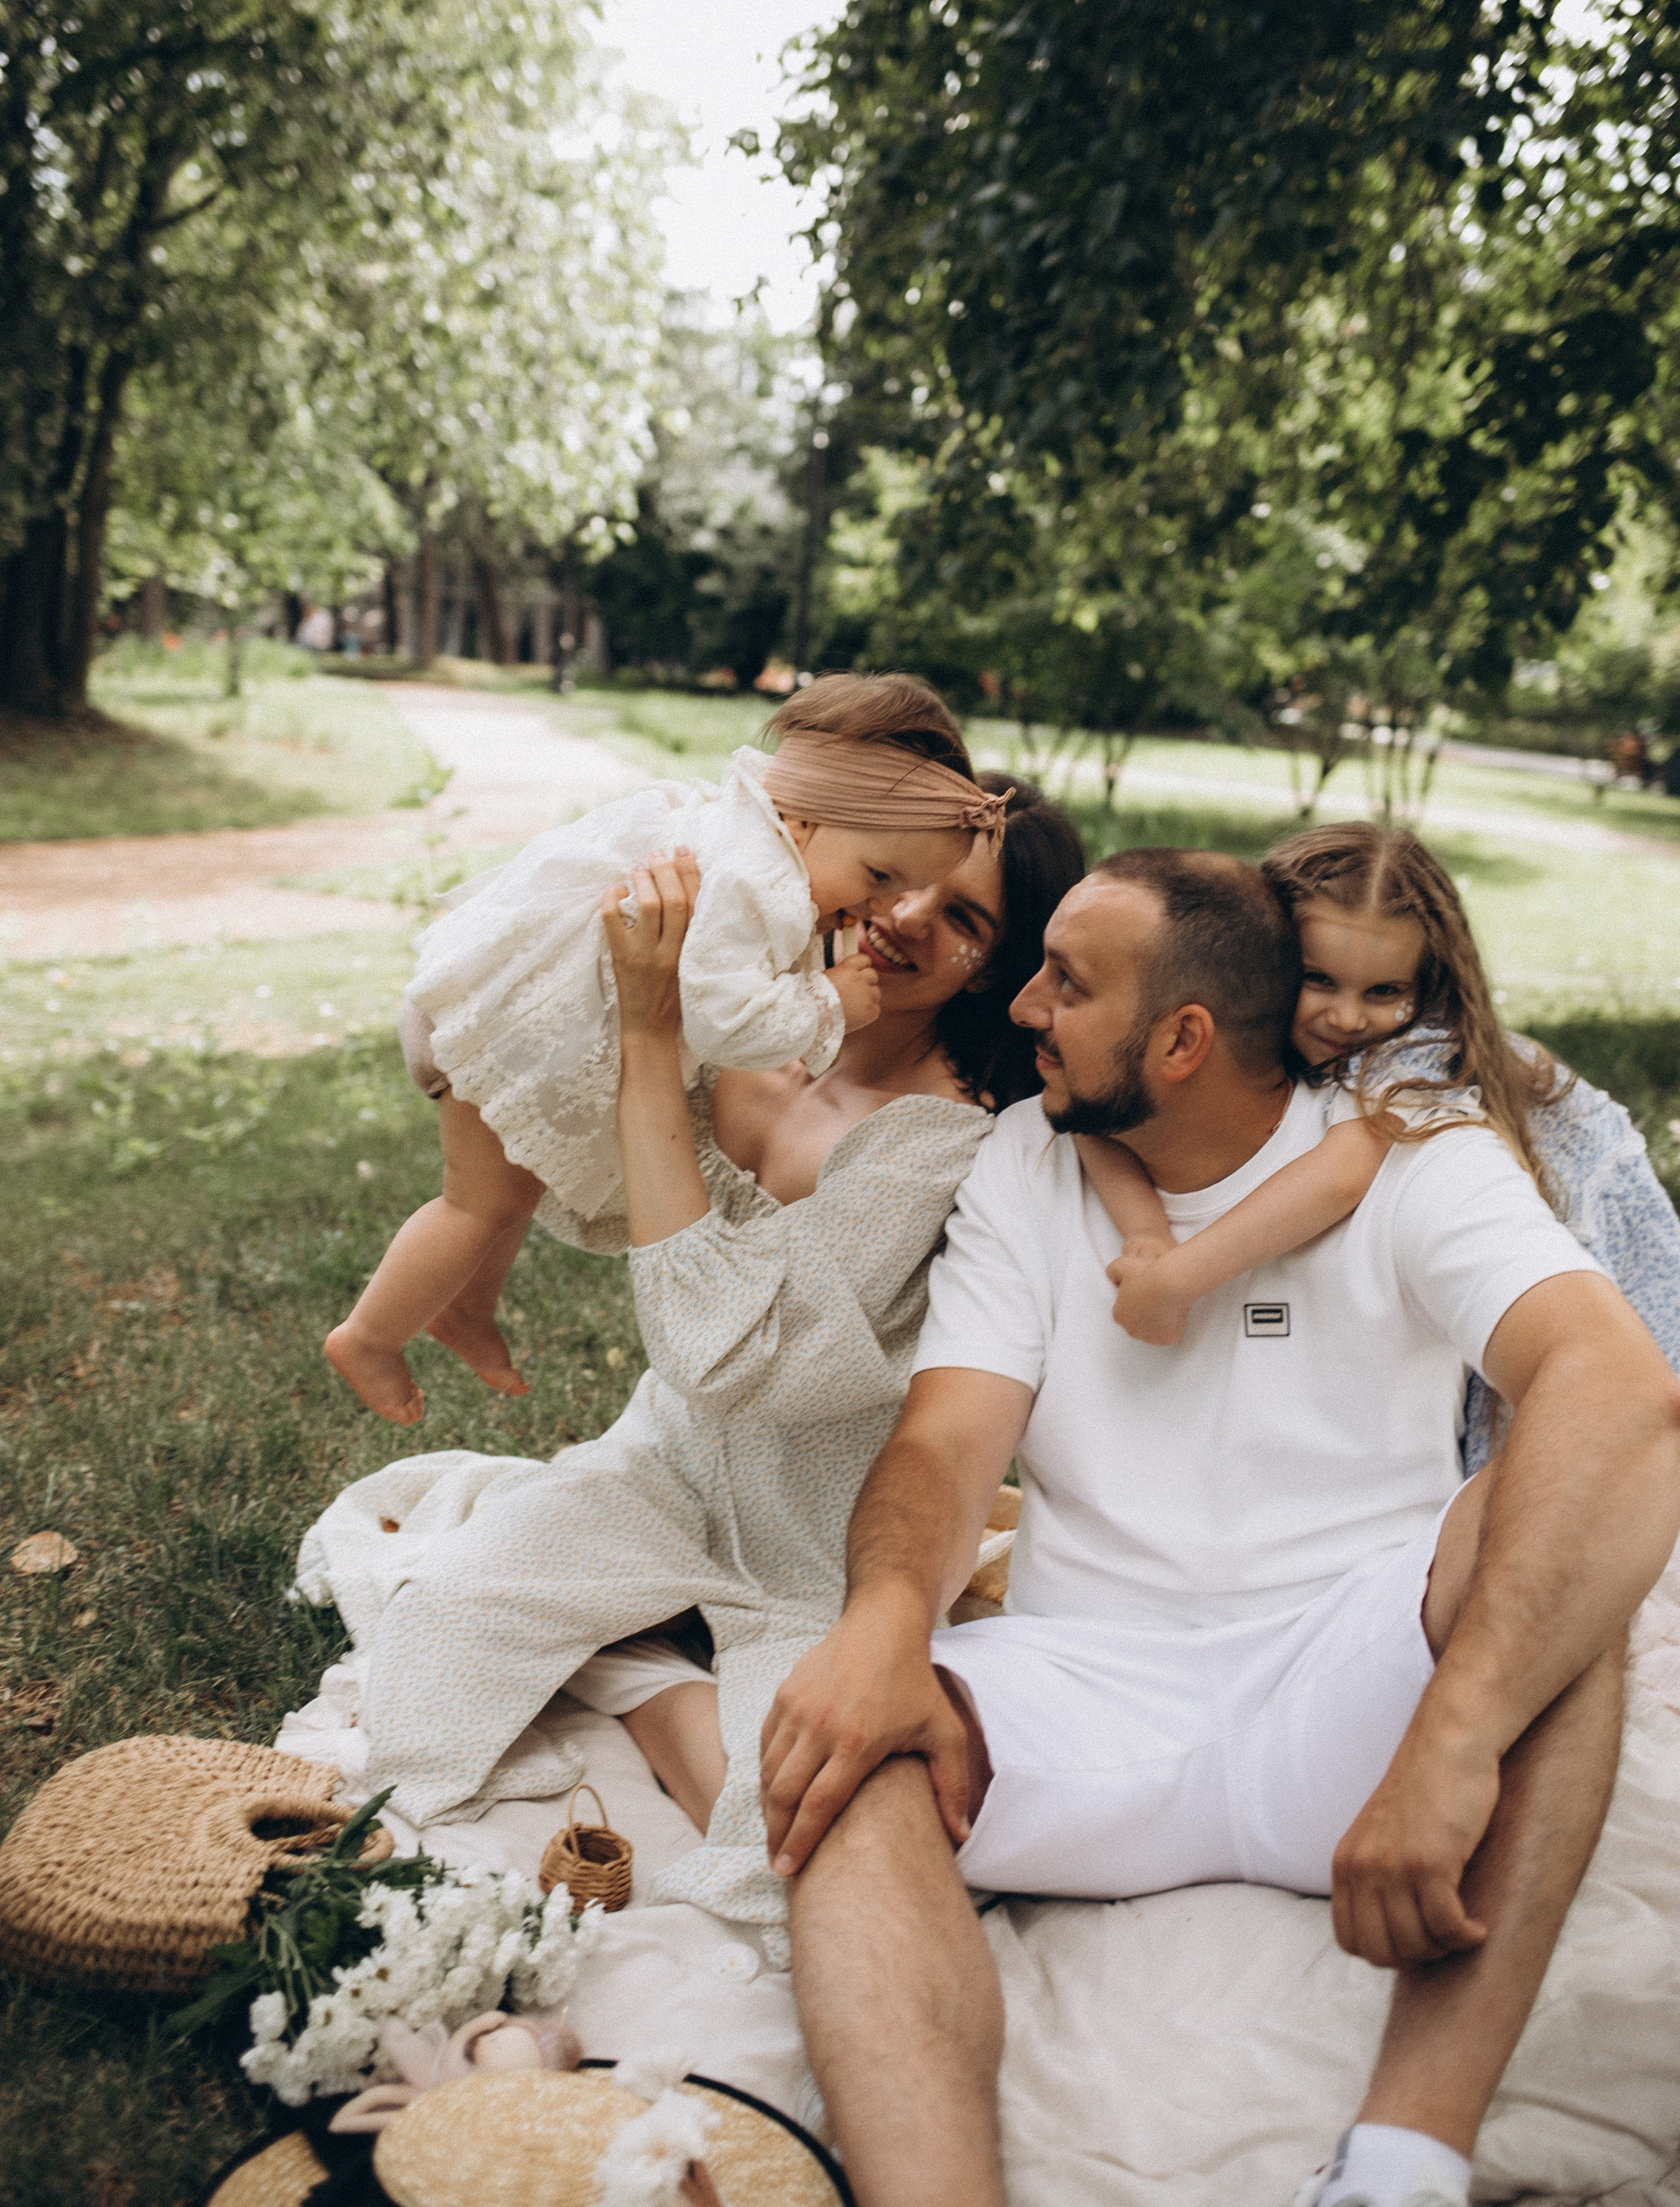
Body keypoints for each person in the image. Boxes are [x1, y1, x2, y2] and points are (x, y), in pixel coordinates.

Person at [756, 847, 1680, 2207]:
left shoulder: (1415, 1152)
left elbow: (1617, 1386)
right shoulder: (1026, 1161)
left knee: (1552, 1571)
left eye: (1066, 985)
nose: (1022, 1008)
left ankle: (1395, 2169)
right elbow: (947, 1444)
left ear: (1180, 1039)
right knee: (848, 1754)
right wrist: (885, 1625)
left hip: (1355, 1675)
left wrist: (1453, 1735)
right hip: (1091, 1680)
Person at [301, 774, 1083, 1951]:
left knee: (788, 1835)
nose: (913, 917)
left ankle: (644, 1675)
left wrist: (652, 1034)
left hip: (815, 1540)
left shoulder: (949, 1136)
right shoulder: (742, 1018)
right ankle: (641, 1646)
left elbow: (724, 1356)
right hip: (659, 1466)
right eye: (903, 877)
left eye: (966, 918)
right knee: (435, 1645)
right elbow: (536, 1073)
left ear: (994, 966)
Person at [325, 674, 1011, 1425]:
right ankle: (369, 1338)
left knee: (508, 1195)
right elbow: (724, 1021)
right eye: (879, 877)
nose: (883, 908)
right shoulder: (762, 886)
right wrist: (826, 1002)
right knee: (473, 1206)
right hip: (500, 1039)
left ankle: (463, 1310)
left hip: (505, 1020)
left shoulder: (744, 821)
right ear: (806, 818)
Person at [1083, 823, 1680, 1381]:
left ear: (1427, 986)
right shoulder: (1243, 1026)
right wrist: (1147, 1232)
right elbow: (1088, 1120)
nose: (1347, 1017)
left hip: (1614, 1281)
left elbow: (1341, 1176)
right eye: (1318, 979)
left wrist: (1175, 1283)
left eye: (1384, 991)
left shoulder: (1423, 1047)